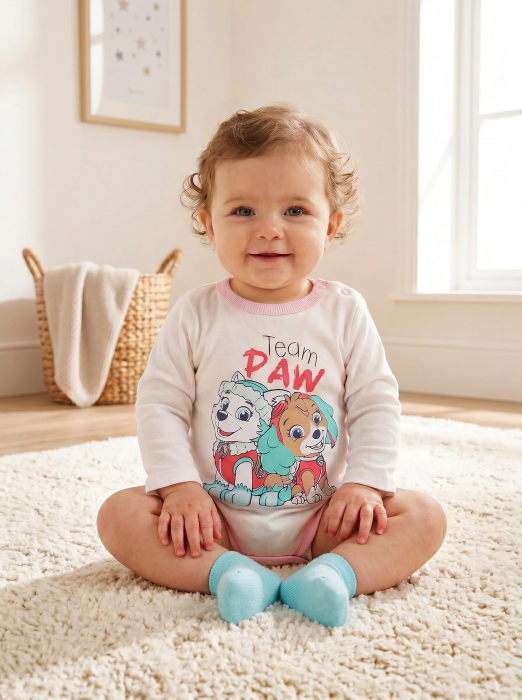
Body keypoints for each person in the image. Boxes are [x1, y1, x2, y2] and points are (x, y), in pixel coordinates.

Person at [97, 104, 447, 628]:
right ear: (207, 223)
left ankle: (332, 575)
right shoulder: (195, 313)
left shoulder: (344, 311)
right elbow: (161, 404)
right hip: (212, 519)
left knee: (424, 516)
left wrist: (364, 484)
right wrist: (179, 487)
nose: (268, 230)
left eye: (295, 211)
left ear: (331, 225)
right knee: (119, 515)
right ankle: (231, 573)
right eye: (243, 211)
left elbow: (375, 403)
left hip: (323, 517)